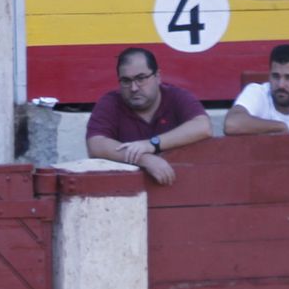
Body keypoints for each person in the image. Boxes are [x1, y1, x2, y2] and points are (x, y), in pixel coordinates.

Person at [85, 47, 212, 185]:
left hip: (183, 186)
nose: (134, 88)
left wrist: (151, 144)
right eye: (126, 81)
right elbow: (95, 144)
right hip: (126, 190)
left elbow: (203, 127)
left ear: (157, 77)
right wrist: (144, 159)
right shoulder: (111, 102)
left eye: (141, 78)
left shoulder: (175, 96)